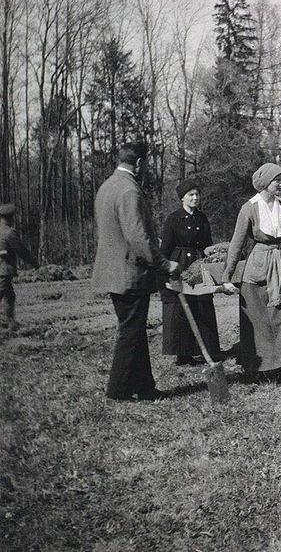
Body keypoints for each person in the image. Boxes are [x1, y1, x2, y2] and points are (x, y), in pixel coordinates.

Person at [92, 142, 179, 401]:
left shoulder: (107, 186)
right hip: (129, 273)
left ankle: (144, 387)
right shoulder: (130, 191)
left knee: (135, 329)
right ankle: (117, 390)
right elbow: (137, 238)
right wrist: (164, 264)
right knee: (131, 331)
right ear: (139, 163)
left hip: (113, 271)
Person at [222, 163, 281, 385]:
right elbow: (237, 243)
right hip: (259, 268)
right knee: (260, 320)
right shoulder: (249, 208)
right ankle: (261, 368)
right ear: (265, 183)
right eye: (278, 180)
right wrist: (227, 275)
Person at [160, 178, 221, 366]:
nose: (195, 198)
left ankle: (202, 350)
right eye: (191, 195)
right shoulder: (173, 219)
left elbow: (207, 244)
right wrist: (167, 268)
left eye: (197, 194)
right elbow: (166, 247)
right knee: (180, 306)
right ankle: (182, 352)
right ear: (182, 198)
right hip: (179, 262)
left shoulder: (202, 218)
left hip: (198, 263)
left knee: (201, 303)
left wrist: (213, 255)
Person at [0, 204, 38, 332]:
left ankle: (11, 324)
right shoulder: (9, 232)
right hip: (3, 270)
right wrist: (33, 262)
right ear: (10, 217)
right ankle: (10, 324)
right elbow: (21, 250)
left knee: (10, 296)